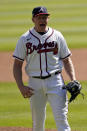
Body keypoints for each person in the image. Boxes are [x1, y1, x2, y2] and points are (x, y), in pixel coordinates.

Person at [13, 6, 76, 131]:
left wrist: (73, 79)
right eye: (39, 17)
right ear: (33, 19)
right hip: (34, 84)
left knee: (62, 119)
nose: (42, 20)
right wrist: (21, 86)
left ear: (48, 18)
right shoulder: (25, 39)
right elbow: (17, 65)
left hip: (56, 81)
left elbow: (67, 60)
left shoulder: (57, 35)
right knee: (37, 122)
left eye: (45, 17)